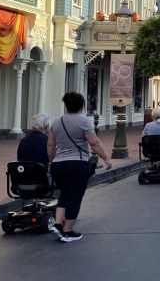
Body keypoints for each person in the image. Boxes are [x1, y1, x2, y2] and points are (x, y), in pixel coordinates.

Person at [46, 92, 113, 242]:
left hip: (58, 165)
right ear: (82, 106)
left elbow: (51, 144)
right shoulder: (84, 121)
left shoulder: (56, 123)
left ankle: (58, 224)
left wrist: (51, 160)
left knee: (65, 193)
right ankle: (68, 231)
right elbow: (94, 143)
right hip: (77, 163)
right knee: (75, 196)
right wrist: (106, 159)